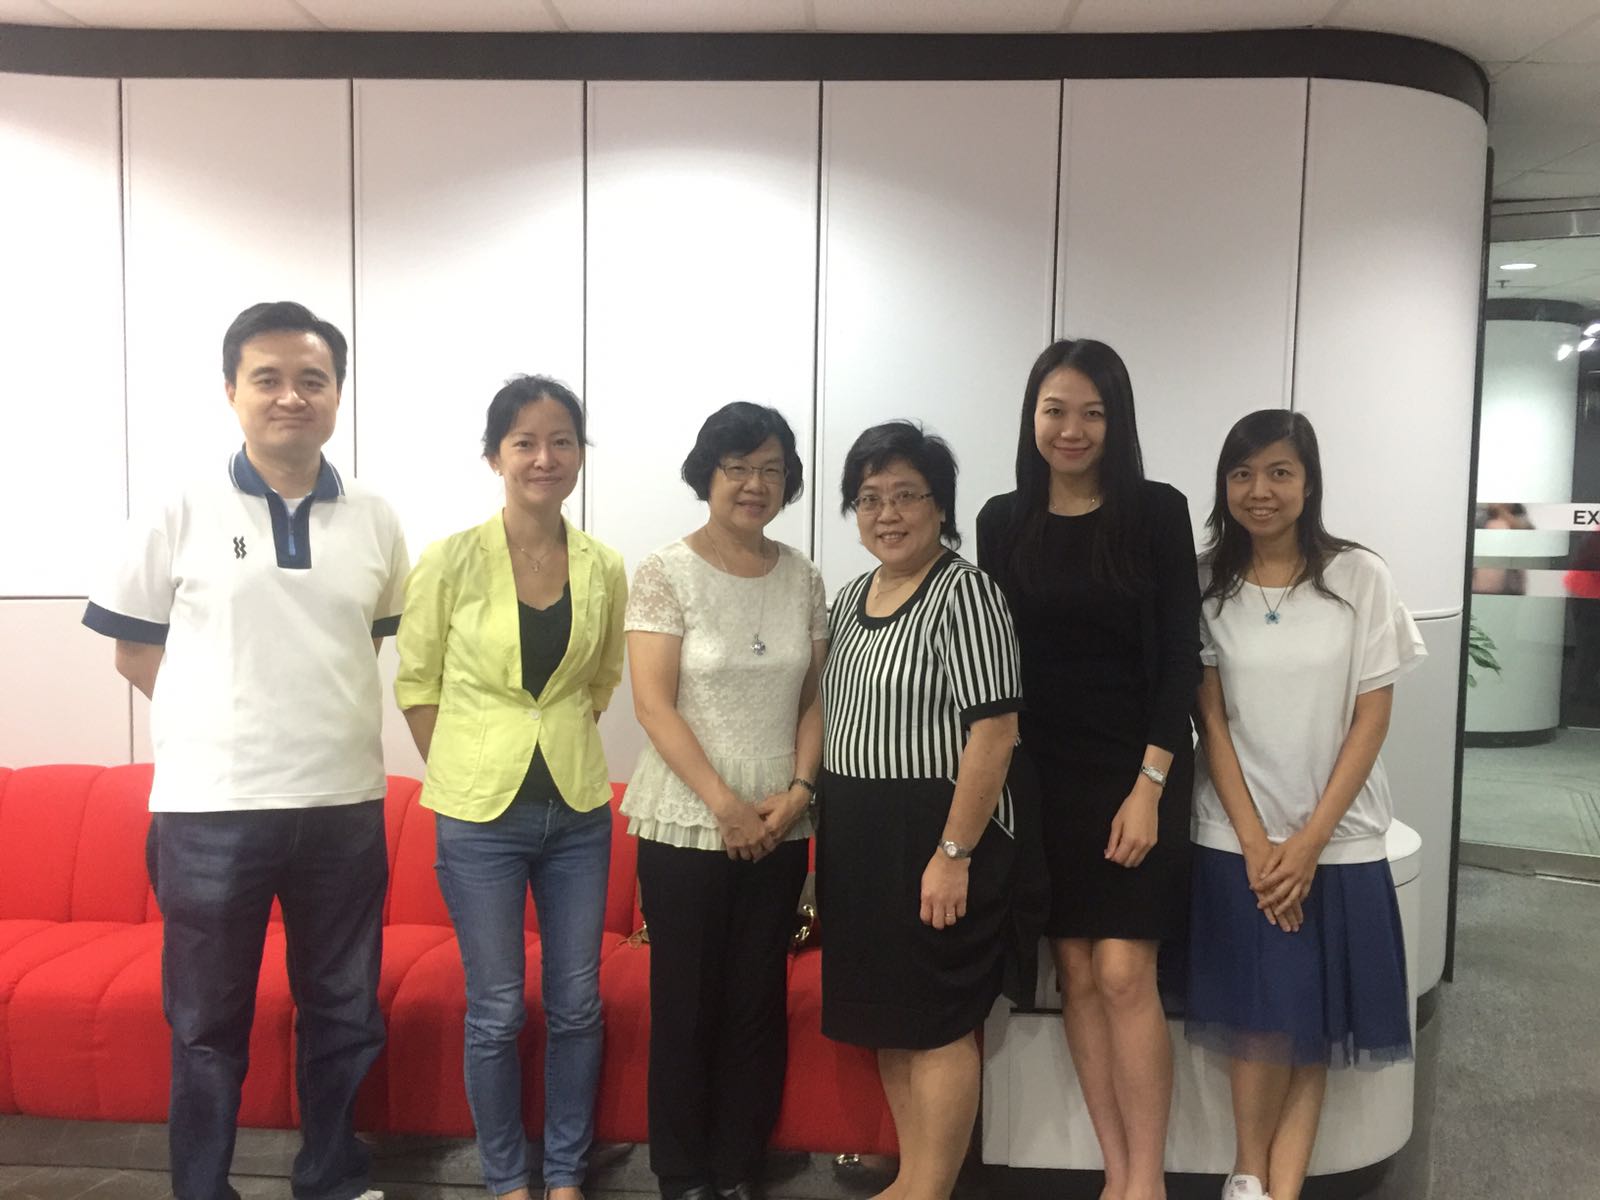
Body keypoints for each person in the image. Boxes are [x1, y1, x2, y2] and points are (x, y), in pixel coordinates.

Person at [82, 300, 407, 1200]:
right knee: (206, 1025)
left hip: (343, 806)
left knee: (344, 1012)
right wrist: (221, 720)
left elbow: (364, 642)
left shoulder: (376, 518)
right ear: (232, 390)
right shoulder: (179, 505)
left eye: (313, 380)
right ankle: (202, 1189)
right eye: (268, 378)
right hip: (211, 812)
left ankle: (333, 1178)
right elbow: (134, 650)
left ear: (337, 394)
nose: (291, 396)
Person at [976, 339, 1200, 1200]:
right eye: (1055, 411)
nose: (1071, 430)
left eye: (1092, 413)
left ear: (1117, 421)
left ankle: (1148, 1181)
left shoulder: (1156, 512)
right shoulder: (1003, 520)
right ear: (1032, 417)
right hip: (1043, 776)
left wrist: (1149, 787)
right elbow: (996, 661)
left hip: (1139, 768)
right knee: (1073, 972)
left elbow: (1179, 661)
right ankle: (1116, 1172)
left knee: (1122, 972)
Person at [393, 376, 627, 1200]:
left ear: (579, 455)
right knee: (495, 1010)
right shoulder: (450, 559)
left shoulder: (603, 565)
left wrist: (551, 743)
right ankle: (505, 1180)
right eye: (524, 441)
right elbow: (416, 682)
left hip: (578, 812)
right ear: (495, 456)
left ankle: (564, 1175)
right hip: (477, 816)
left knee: (577, 1006)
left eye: (561, 441)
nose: (543, 457)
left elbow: (600, 679)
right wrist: (461, 767)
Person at [1186, 410, 1423, 1200]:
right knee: (1261, 1019)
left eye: (1280, 472)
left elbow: (1372, 716)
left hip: (1338, 840)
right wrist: (1259, 845)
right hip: (1236, 838)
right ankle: (1248, 1174)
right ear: (1224, 485)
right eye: (1243, 473)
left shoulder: (1360, 577)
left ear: (1309, 482)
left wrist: (1310, 842)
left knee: (1311, 1021)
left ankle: (1275, 1188)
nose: (1260, 490)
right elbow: (1209, 719)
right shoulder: (1202, 582)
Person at [820, 420, 1036, 1200]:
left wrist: (953, 855)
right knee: (888, 1019)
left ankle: (931, 1190)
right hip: (859, 839)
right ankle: (913, 1179)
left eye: (906, 495)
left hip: (936, 837)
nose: (887, 513)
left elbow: (996, 732)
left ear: (940, 505)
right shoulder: (850, 598)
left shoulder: (965, 593)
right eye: (869, 497)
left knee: (937, 1020)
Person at [623, 402, 826, 1200]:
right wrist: (725, 805)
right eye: (738, 467)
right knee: (686, 1005)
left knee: (756, 1003)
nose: (754, 484)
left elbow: (813, 700)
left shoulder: (803, 576)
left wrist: (800, 791)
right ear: (707, 474)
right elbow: (653, 705)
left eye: (772, 469)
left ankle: (741, 1167)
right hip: (686, 819)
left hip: (782, 818)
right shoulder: (665, 572)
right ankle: (681, 1174)